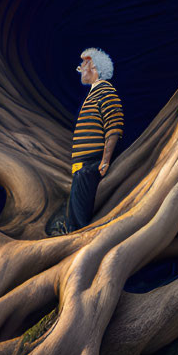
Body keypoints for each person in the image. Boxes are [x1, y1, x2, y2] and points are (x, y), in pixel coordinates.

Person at [62, 47, 124, 233]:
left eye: (83, 64)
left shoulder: (106, 92)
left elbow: (113, 129)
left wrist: (105, 160)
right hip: (82, 167)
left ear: (94, 67)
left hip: (90, 166)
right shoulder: (94, 94)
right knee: (73, 217)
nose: (80, 68)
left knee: (79, 220)